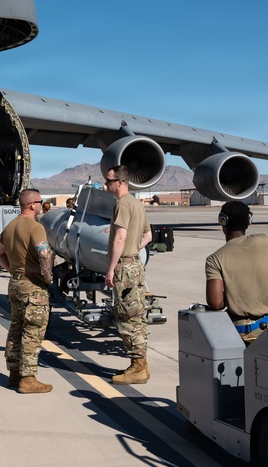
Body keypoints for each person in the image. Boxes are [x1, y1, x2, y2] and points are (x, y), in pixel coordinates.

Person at [205, 200, 268, 343]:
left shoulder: (215, 259)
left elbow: (216, 303)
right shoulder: (266, 241)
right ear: (248, 221)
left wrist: (235, 296)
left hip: (242, 333)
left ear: (223, 221)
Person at [0, 188, 54, 394]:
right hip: (33, 286)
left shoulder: (10, 226)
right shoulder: (35, 227)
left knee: (16, 328)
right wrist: (47, 277)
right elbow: (44, 255)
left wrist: (12, 269)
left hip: (16, 284)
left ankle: (14, 373)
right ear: (32, 205)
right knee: (33, 331)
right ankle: (28, 379)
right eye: (40, 201)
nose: (41, 204)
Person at [104, 165, 152, 385]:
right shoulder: (137, 204)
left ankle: (138, 367)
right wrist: (134, 249)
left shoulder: (122, 204)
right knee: (137, 315)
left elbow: (120, 238)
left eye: (109, 181)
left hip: (125, 268)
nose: (106, 185)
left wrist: (112, 267)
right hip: (136, 265)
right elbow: (148, 236)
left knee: (127, 318)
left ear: (120, 182)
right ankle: (140, 364)